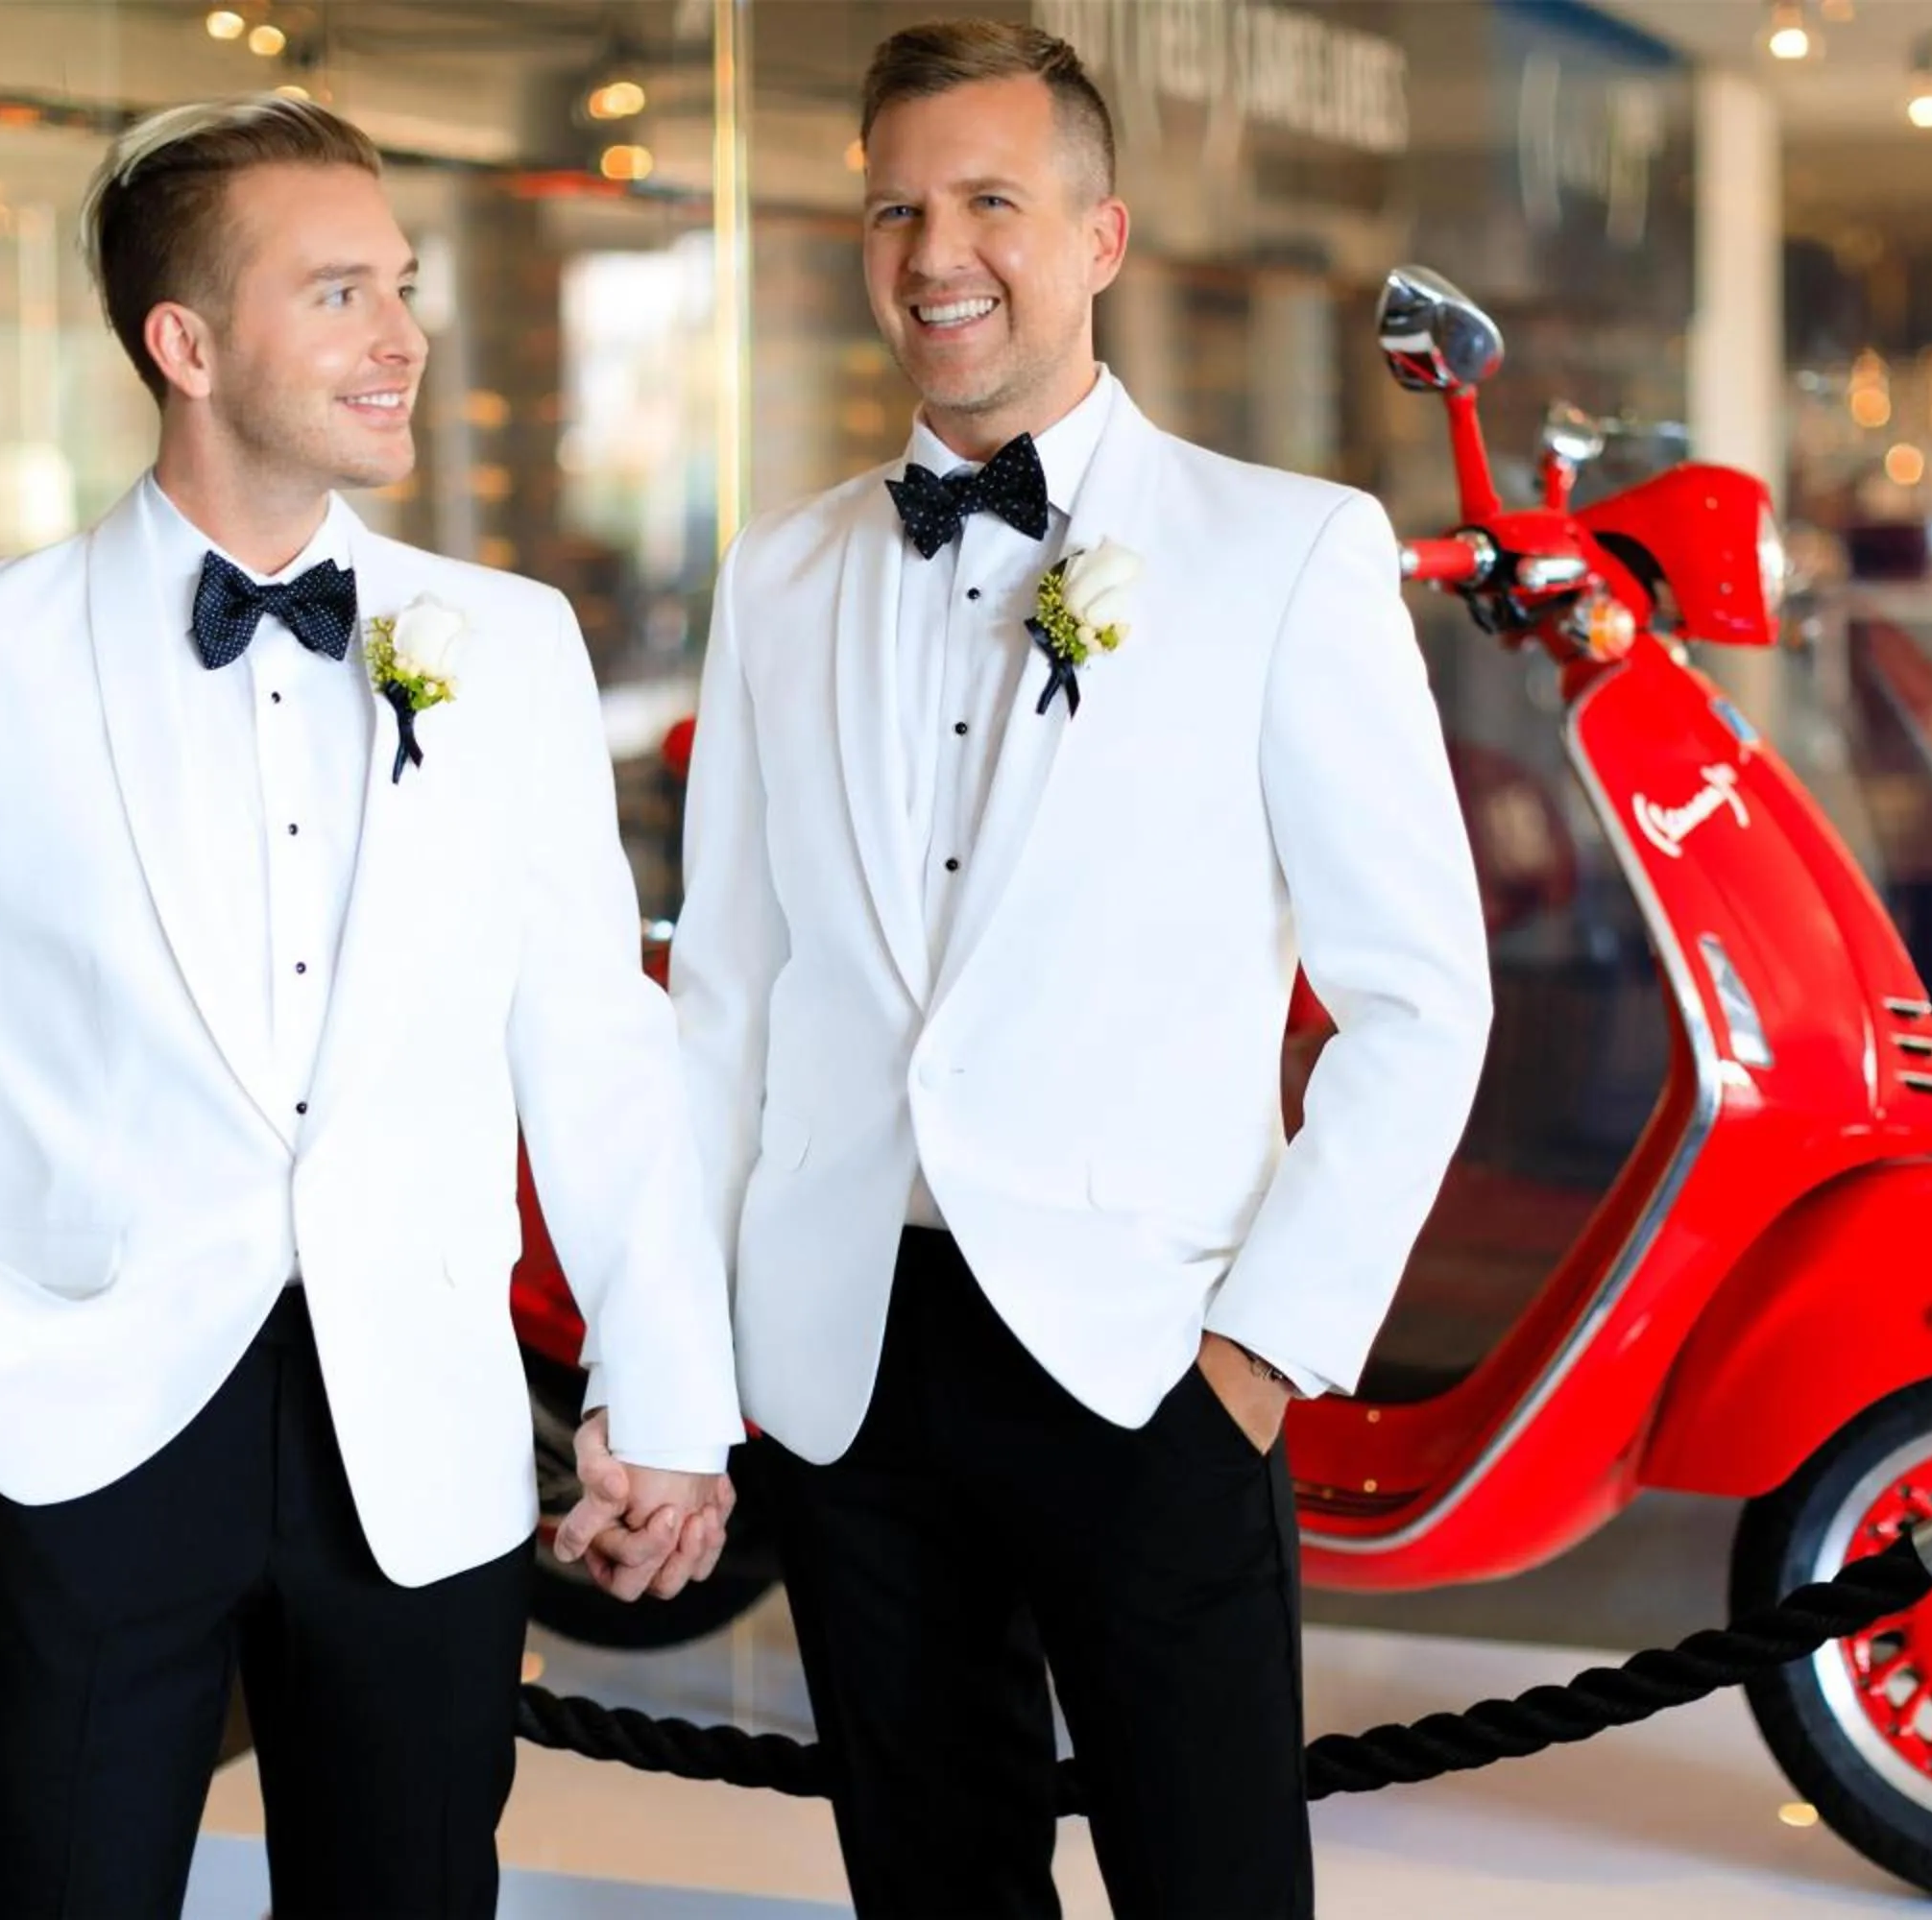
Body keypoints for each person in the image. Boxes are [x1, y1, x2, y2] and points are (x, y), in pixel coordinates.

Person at [0, 95, 737, 1918]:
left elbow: (597, 1052)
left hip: (424, 1446)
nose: (403, 338)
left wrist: (666, 1385)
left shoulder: (512, 643)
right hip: (74, 1444)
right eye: (340, 293)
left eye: (404, 287)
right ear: (187, 346)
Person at [665, 21, 1492, 1918]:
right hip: (849, 1362)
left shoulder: (1288, 551)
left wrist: (1263, 1353)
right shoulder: (776, 575)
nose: (935, 253)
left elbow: (1421, 996)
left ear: (1101, 237)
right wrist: (694, 1357)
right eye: (895, 210)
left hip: (1154, 1362)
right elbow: (729, 1000)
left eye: (990, 201)